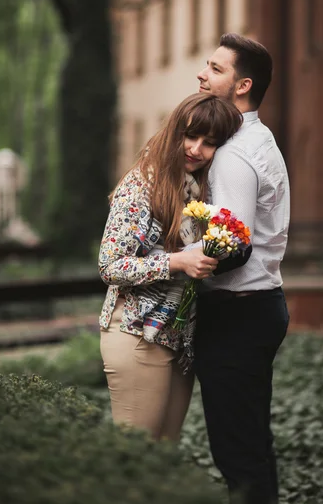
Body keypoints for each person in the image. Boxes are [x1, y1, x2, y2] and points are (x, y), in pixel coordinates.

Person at [98, 92, 243, 442]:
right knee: (137, 461)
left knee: (163, 457)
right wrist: (180, 261)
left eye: (209, 143)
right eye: (189, 136)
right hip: (136, 333)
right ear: (173, 132)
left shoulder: (196, 192)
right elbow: (110, 265)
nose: (195, 148)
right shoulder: (142, 184)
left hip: (178, 338)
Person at [194, 34, 290, 504]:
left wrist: (180, 263)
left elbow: (233, 244)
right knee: (251, 446)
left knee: (238, 455)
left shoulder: (233, 153)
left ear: (241, 85)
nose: (202, 74)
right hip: (259, 307)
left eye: (214, 68)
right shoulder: (258, 138)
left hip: (238, 313)